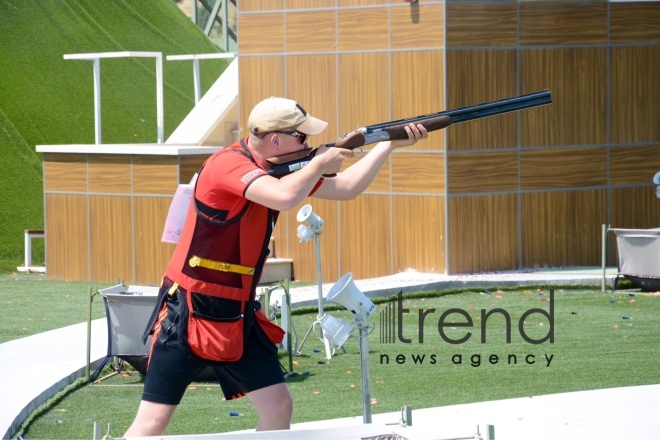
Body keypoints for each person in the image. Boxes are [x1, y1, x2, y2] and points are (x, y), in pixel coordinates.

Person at [124, 97, 428, 436]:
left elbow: (346, 188)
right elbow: (283, 196)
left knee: (278, 407)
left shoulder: (279, 169)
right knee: (153, 421)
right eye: (302, 137)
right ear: (276, 139)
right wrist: (318, 162)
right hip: (190, 310)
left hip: (239, 312)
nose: (308, 144)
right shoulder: (228, 165)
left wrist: (386, 146)